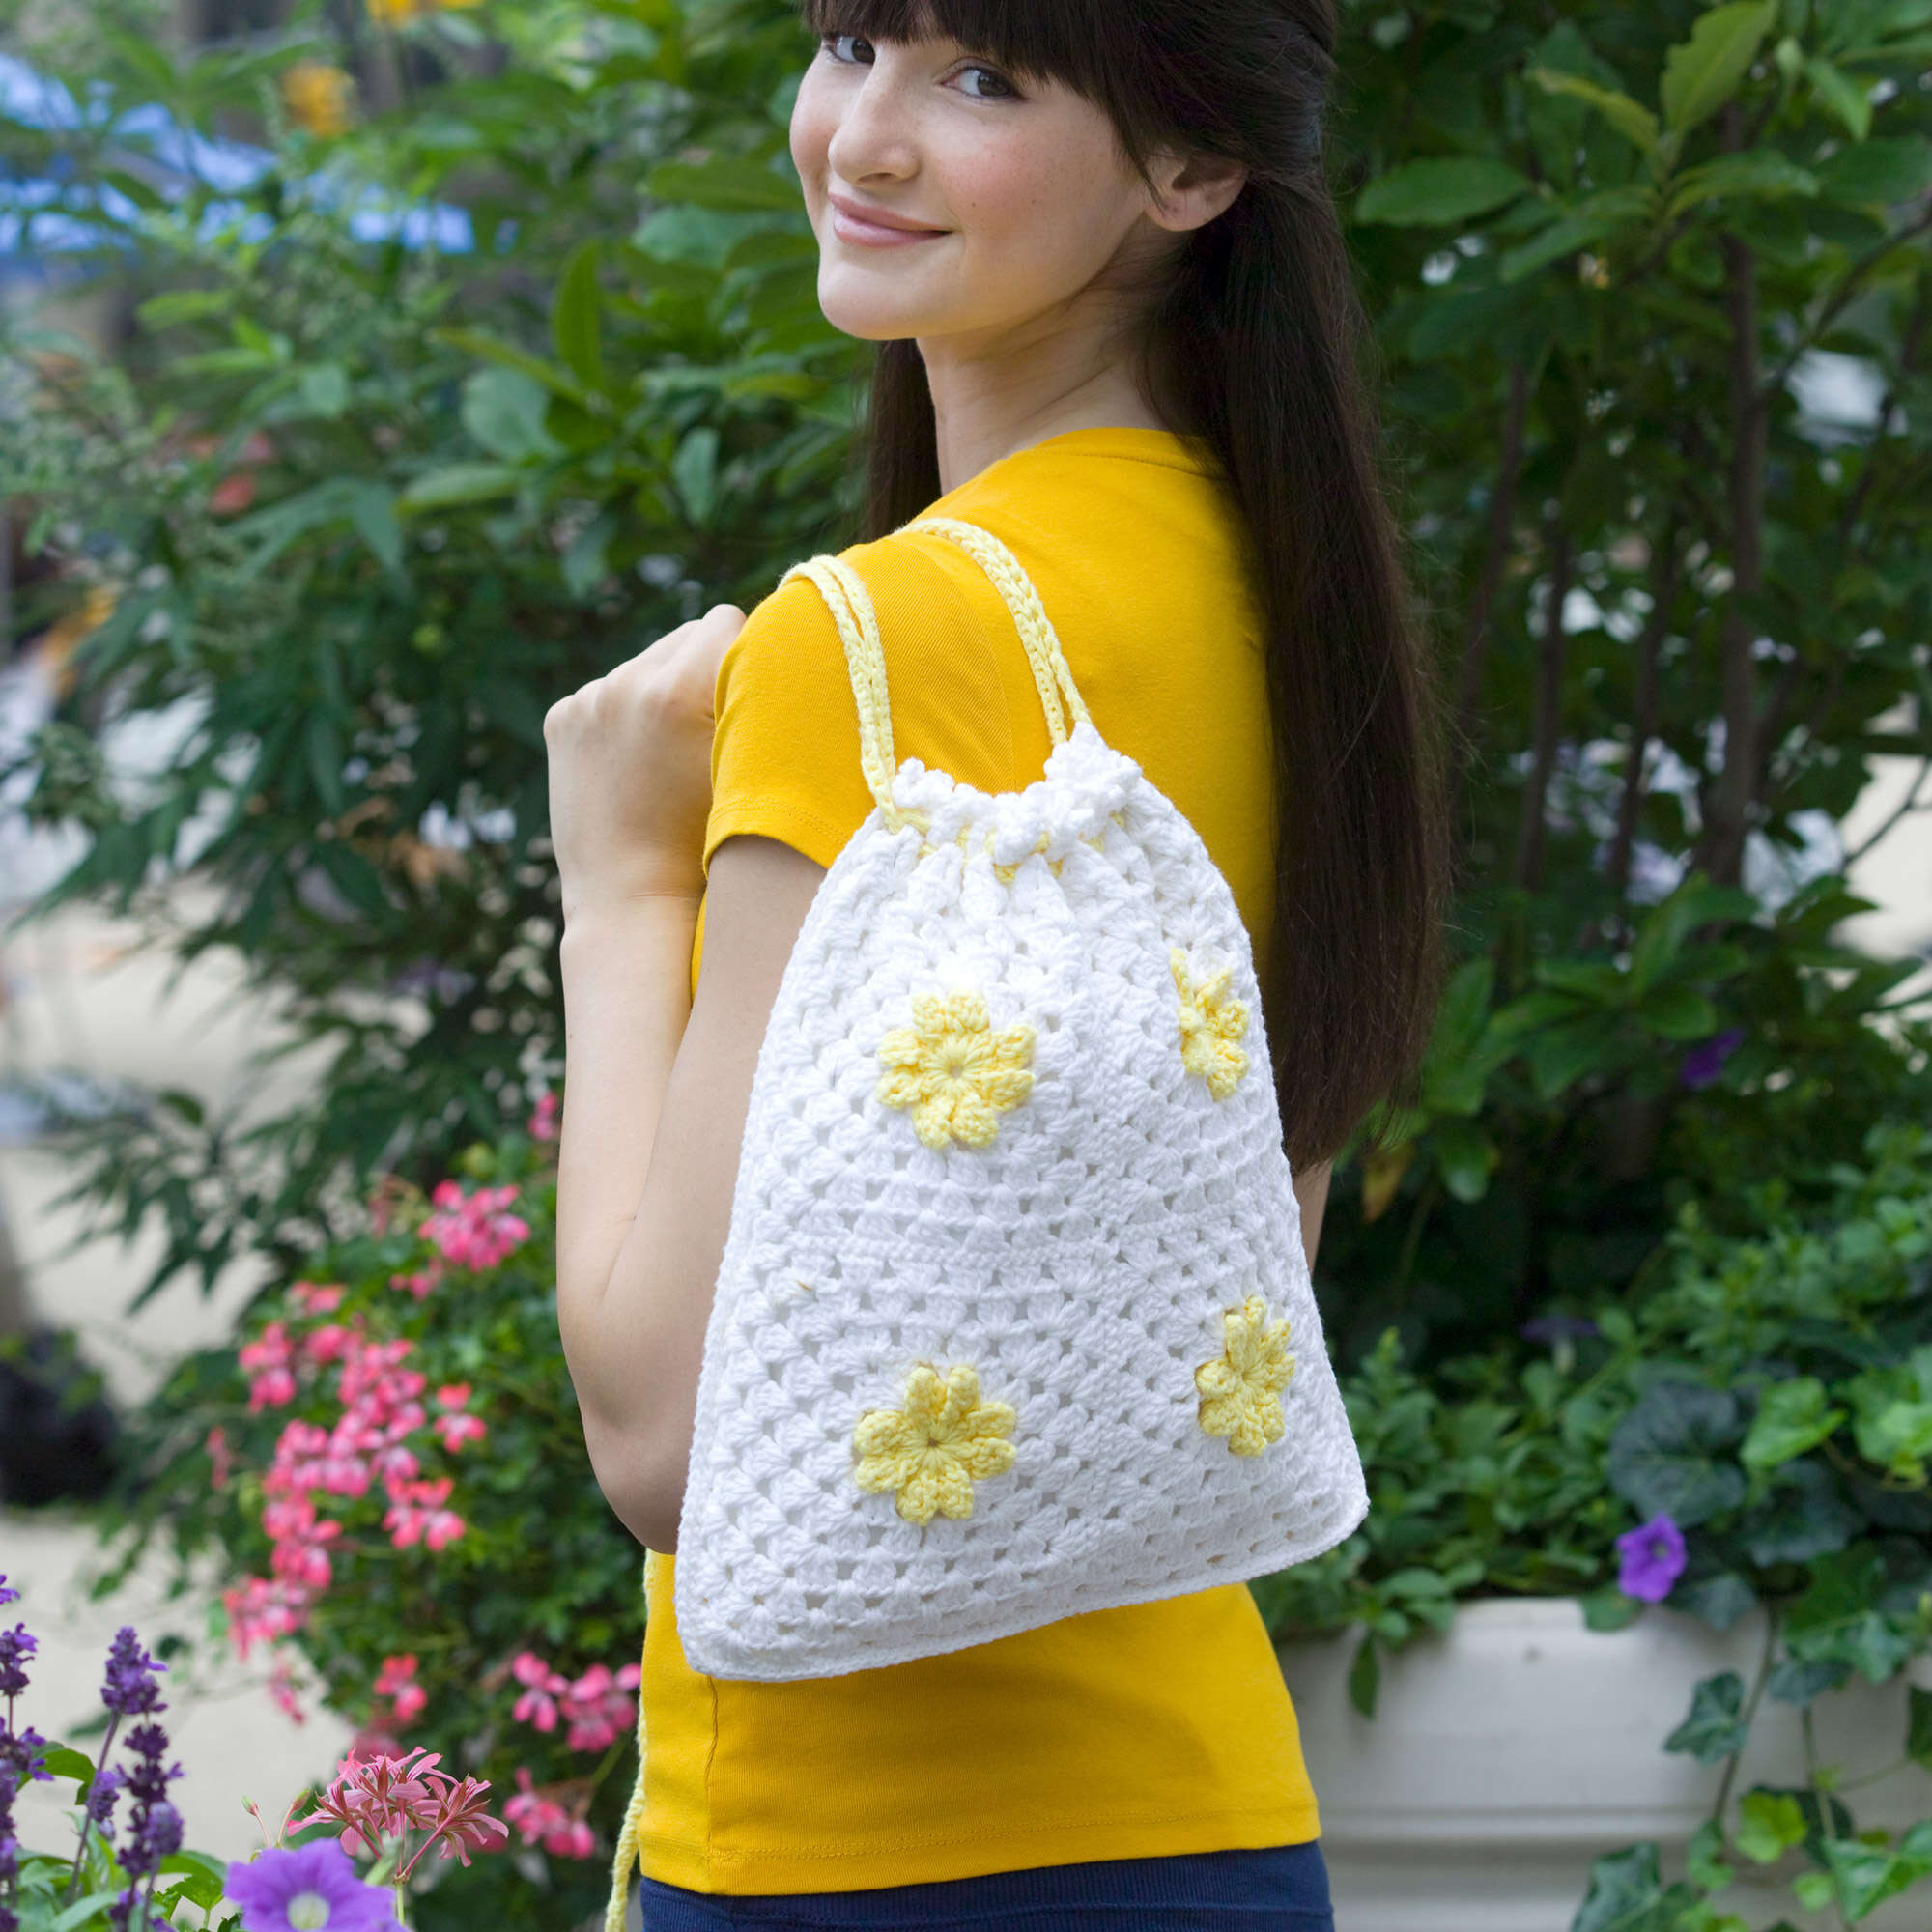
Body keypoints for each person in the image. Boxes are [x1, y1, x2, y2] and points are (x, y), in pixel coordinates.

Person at [545, 1, 1446, 1924]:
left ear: (1192, 166)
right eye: (852, 38)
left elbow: (670, 1444)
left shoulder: (875, 643)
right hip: (1207, 1827)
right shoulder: (1275, 588)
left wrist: (616, 892)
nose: (863, 136)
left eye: (982, 80)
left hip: (863, 1856)